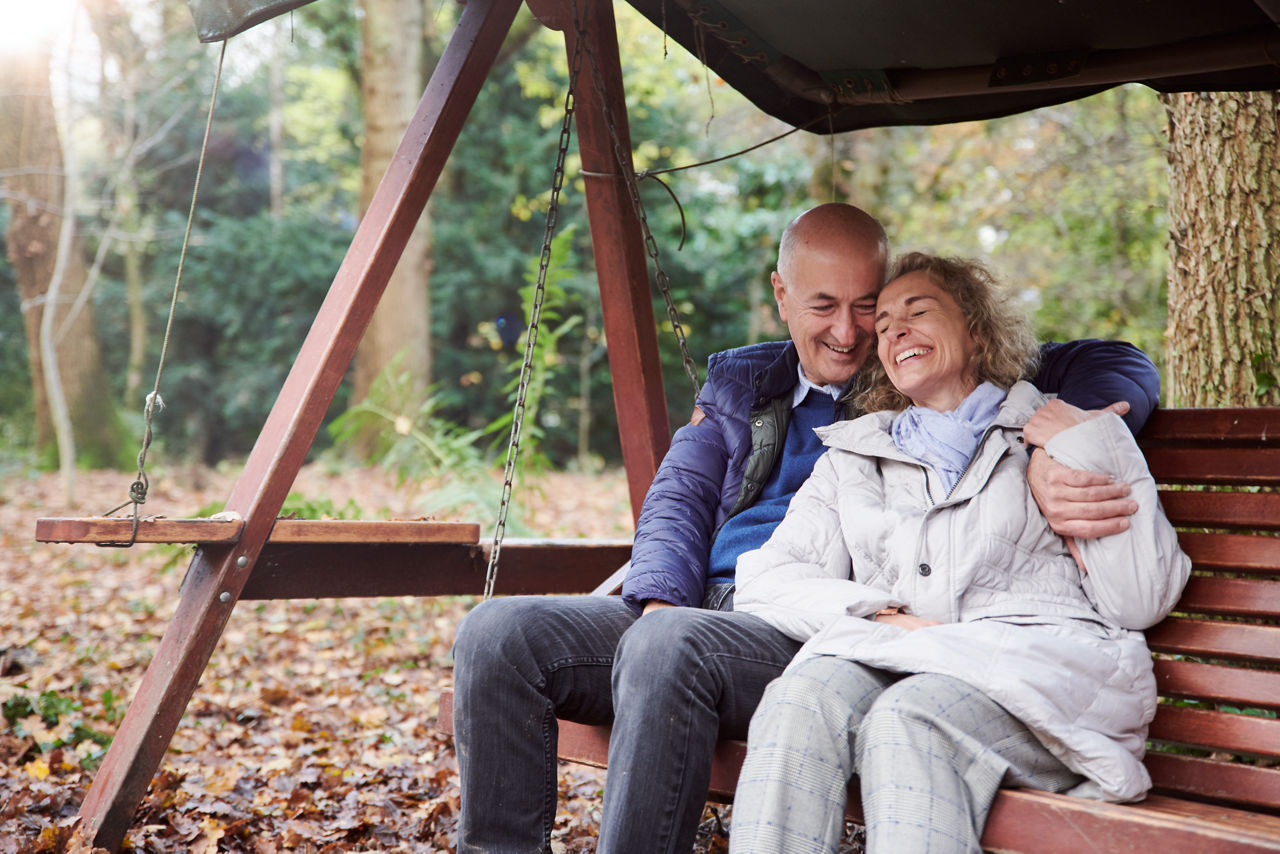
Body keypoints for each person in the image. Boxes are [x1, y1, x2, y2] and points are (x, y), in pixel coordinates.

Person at [450, 204, 1160, 854]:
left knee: (669, 646)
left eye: (866, 307)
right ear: (781, 296)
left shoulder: (917, 378)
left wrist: (1051, 444)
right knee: (500, 636)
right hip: (704, 611)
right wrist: (660, 603)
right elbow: (679, 498)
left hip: (816, 625)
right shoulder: (739, 384)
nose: (851, 333)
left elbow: (1120, 365)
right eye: (824, 306)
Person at [729, 253, 1191, 854]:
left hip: (1036, 672)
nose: (895, 331)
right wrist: (879, 611)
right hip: (904, 655)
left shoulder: (1052, 435)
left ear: (976, 332)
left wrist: (1090, 446)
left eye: (918, 312)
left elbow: (1141, 598)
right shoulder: (856, 455)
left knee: (909, 722)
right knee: (798, 698)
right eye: (886, 323)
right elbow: (765, 577)